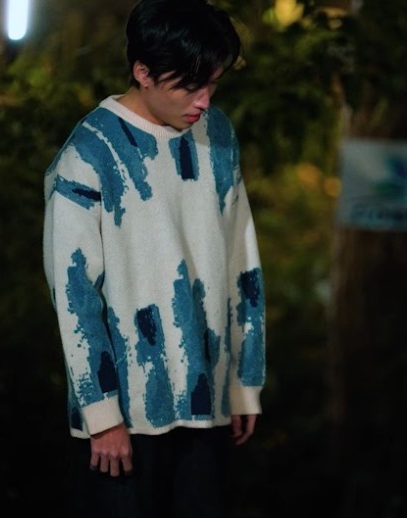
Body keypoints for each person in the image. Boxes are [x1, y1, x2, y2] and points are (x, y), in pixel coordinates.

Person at [42, 1, 266, 516]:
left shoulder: (219, 135)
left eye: (213, 84)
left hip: (208, 403)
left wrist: (243, 382)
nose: (204, 101)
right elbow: (74, 297)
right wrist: (102, 414)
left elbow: (243, 263)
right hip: (124, 416)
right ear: (142, 72)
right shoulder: (89, 152)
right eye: (190, 86)